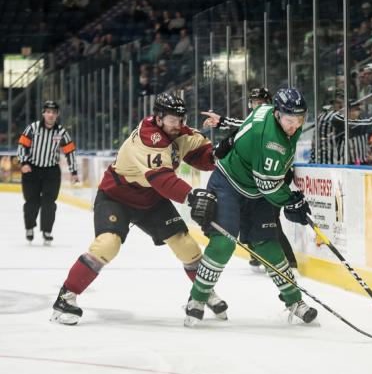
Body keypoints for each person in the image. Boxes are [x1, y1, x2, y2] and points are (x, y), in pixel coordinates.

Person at [50, 93, 227, 325]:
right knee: (107, 244)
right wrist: (192, 195)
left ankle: (203, 292)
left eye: (181, 119)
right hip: (116, 197)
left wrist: (220, 152)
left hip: (150, 199)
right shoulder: (148, 138)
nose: (179, 124)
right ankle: (66, 296)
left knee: (187, 245)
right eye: (173, 119)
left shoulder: (180, 133)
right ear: (160, 117)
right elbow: (162, 179)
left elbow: (202, 158)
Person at [185, 87, 317, 327]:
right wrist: (291, 200)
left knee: (268, 244)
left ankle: (294, 301)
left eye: (300, 119)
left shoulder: (265, 111)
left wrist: (228, 137)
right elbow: (268, 186)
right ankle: (197, 299)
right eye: (290, 120)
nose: (295, 125)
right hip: (230, 184)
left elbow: (243, 126)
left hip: (257, 189)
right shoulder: (272, 142)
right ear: (277, 114)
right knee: (223, 242)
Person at [201, 87, 299, 272]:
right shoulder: (261, 120)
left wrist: (222, 122)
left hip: (276, 178)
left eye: (260, 102)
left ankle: (288, 260)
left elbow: (247, 125)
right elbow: (244, 124)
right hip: (260, 179)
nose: (257, 106)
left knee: (270, 220)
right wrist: (222, 122)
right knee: (256, 218)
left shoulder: (276, 121)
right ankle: (259, 255)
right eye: (254, 102)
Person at [17, 100, 80, 245]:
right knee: (31, 202)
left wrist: (74, 172)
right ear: (43, 113)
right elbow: (22, 146)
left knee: (49, 203)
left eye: (54, 112)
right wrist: (24, 163)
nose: (51, 115)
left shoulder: (62, 132)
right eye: (48, 112)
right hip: (31, 170)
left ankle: (47, 231)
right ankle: (30, 227)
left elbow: (70, 152)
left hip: (51, 172)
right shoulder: (32, 128)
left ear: (57, 114)